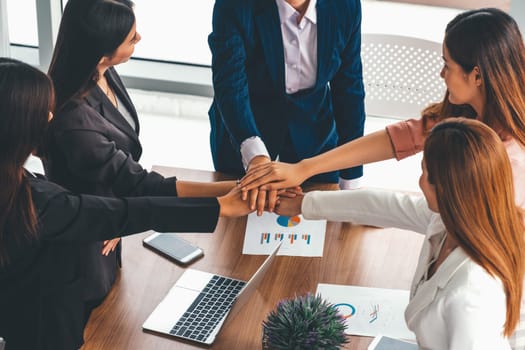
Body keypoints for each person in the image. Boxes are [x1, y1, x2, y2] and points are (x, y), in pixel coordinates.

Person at [240, 8, 525, 348]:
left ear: (477, 75)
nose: (441, 73)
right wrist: (304, 183)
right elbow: (400, 160)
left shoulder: (503, 170)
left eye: (447, 65)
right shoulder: (466, 126)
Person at [0, 58, 252, 349]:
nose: (49, 117)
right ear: (17, 125)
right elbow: (127, 212)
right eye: (41, 111)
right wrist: (220, 207)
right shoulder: (34, 199)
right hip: (48, 333)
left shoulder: (19, 184)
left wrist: (98, 216)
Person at [44, 0, 237, 328]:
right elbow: (138, 182)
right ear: (101, 53)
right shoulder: (74, 119)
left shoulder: (103, 73)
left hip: (113, 223)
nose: (140, 39)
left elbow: (122, 172)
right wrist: (230, 192)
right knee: (101, 330)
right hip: (87, 249)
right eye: (131, 38)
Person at [276, 118, 525, 349]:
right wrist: (302, 204)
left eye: (424, 172)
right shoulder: (449, 221)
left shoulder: (471, 294)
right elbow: (383, 205)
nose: (419, 182)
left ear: (448, 188)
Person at [208, 0, 366, 197]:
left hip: (315, 134)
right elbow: (230, 84)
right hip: (243, 127)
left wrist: (351, 179)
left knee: (320, 215)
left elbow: (349, 90)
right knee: (236, 217)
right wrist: (255, 156)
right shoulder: (234, 5)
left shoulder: (345, 5)